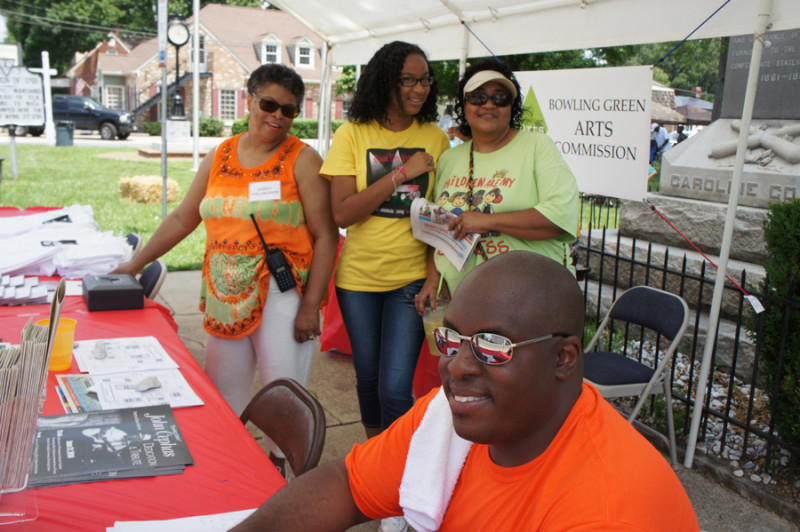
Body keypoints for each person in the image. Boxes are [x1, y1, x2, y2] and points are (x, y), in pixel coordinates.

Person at [231, 251, 700, 532]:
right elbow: (347, 486)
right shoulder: (449, 419)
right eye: (452, 339)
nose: (457, 366)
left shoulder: (606, 511)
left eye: (494, 346)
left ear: (565, 358)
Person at [113, 64, 338, 427]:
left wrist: (311, 305)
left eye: (289, 110)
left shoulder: (303, 158)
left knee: (282, 394)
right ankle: (231, 474)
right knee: (222, 398)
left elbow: (325, 235)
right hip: (224, 295)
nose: (278, 116)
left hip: (279, 293)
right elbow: (183, 218)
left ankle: (280, 470)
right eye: (269, 104)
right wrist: (136, 264)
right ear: (250, 101)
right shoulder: (219, 155)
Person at [320, 41, 449, 438]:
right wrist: (400, 174)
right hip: (358, 279)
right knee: (368, 377)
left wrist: (432, 277)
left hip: (409, 277)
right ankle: (375, 454)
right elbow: (342, 212)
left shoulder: (436, 139)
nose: (419, 88)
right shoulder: (352, 135)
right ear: (383, 82)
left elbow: (442, 220)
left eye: (425, 80)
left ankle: (396, 465)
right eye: (407, 80)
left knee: (396, 388)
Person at [415, 59, 579, 308]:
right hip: (462, 299)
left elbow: (559, 217)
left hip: (527, 299)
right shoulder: (450, 158)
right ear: (464, 105)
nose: (489, 104)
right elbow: (436, 226)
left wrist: (486, 220)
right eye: (478, 97)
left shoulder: (536, 146)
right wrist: (433, 276)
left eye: (500, 98)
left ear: (511, 107)